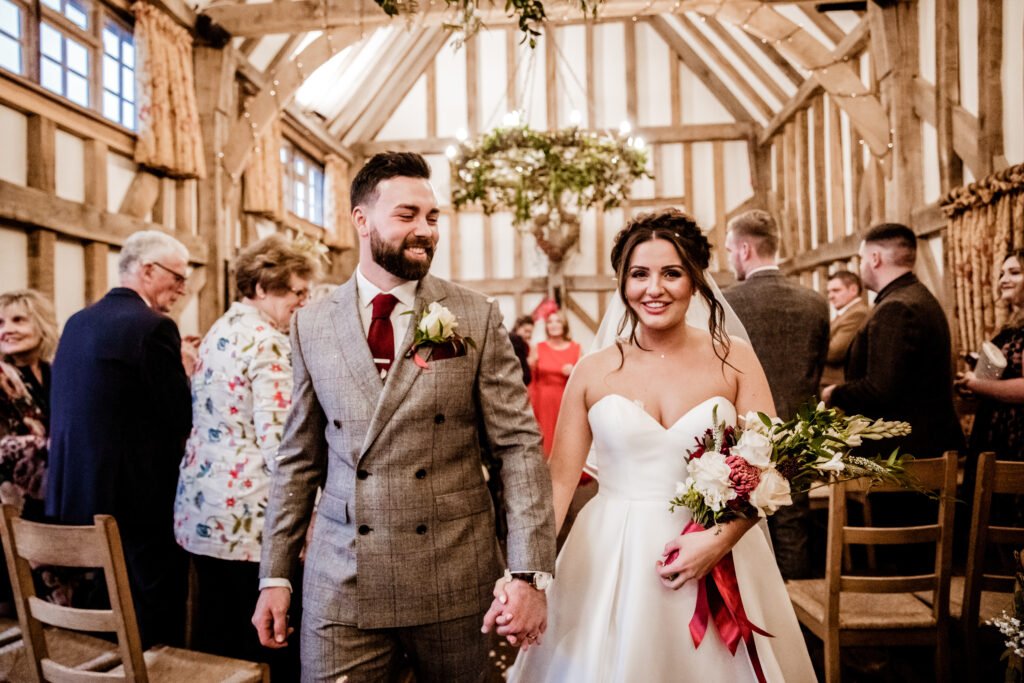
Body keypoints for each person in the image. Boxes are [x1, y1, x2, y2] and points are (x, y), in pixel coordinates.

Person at [252, 151, 556, 682]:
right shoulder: (311, 325)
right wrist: (274, 574)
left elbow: (518, 450)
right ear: (361, 220)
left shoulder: (474, 316)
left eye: (432, 217)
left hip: (455, 578)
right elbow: (298, 460)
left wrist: (529, 574)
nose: (425, 230)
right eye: (407, 215)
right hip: (343, 580)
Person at [500, 209, 815, 682]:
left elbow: (771, 465)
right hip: (609, 555)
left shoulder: (735, 358)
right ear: (623, 284)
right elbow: (561, 479)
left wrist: (719, 540)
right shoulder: (593, 370)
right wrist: (526, 574)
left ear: (695, 280)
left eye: (672, 273)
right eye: (639, 274)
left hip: (716, 553)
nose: (655, 288)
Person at [173, 234, 319, 677]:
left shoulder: (221, 329)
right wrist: (311, 515)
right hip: (251, 520)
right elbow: (282, 448)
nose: (304, 301)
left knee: (219, 640)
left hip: (204, 507)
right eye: (296, 291)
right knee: (267, 639)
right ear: (260, 287)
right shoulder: (269, 343)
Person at [46, 230, 193, 648]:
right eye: (178, 278)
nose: (183, 289)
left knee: (102, 606)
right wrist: (186, 372)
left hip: (77, 496)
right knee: (154, 608)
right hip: (136, 504)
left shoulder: (78, 320)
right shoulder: (153, 327)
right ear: (148, 270)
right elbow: (180, 415)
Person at [723, 209, 829, 580]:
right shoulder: (814, 302)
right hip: (798, 431)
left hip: (742, 435)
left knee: (741, 528)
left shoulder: (727, 302)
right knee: (793, 523)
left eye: (729, 250)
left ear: (745, 250)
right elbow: (814, 370)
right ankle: (796, 614)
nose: (729, 258)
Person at [823, 223, 965, 458]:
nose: (860, 267)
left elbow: (880, 390)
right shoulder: (917, 295)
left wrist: (835, 393)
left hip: (904, 452)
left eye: (861, 259)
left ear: (875, 258)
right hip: (918, 444)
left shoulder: (896, 307)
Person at [0, 290, 57, 519]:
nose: (7, 330)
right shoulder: (3, 377)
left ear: (42, 325)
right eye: (1, 323)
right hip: (11, 503)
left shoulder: (55, 373)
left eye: (18, 320)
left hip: (52, 496)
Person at [529, 310, 581, 456]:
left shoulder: (576, 348)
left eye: (557, 321)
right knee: (545, 439)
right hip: (543, 401)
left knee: (567, 436)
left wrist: (574, 372)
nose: (553, 325)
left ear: (564, 325)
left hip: (566, 400)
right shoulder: (538, 347)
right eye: (550, 322)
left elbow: (584, 380)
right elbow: (531, 379)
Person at [822, 270, 869, 390]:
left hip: (837, 385)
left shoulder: (858, 313)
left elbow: (834, 352)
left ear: (853, 289)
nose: (830, 296)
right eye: (829, 292)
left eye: (836, 290)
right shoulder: (845, 314)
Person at [509, 314, 534, 385]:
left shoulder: (512, 340)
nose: (528, 335)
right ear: (517, 327)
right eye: (526, 331)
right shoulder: (516, 340)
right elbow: (525, 376)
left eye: (530, 332)